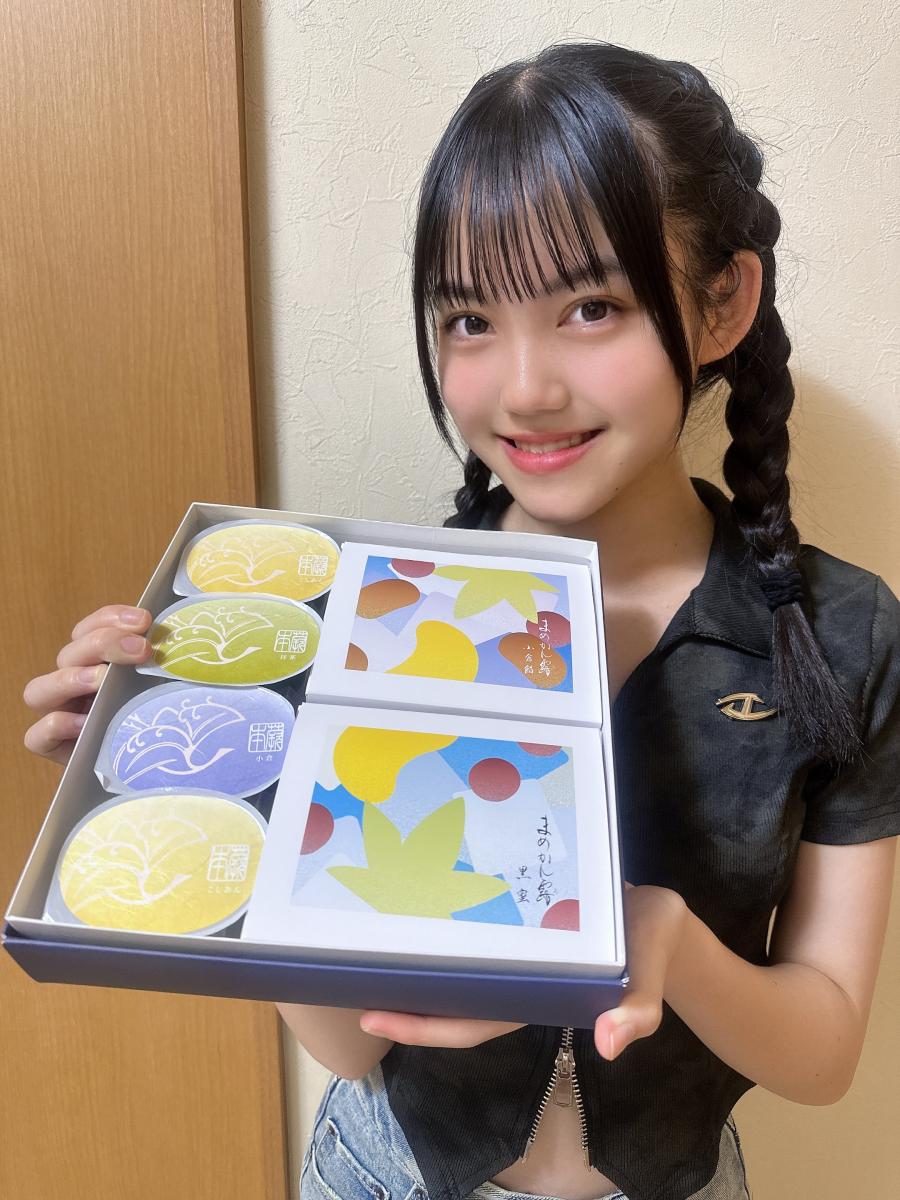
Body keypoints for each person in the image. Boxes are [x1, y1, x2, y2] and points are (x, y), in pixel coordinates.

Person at [22, 39, 900, 1200]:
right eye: (470, 319)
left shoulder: (839, 635)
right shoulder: (376, 613)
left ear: (722, 300)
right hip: (383, 1172)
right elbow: (350, 1050)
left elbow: (825, 1051)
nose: (523, 388)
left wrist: (660, 939)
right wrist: (196, 776)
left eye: (592, 306)